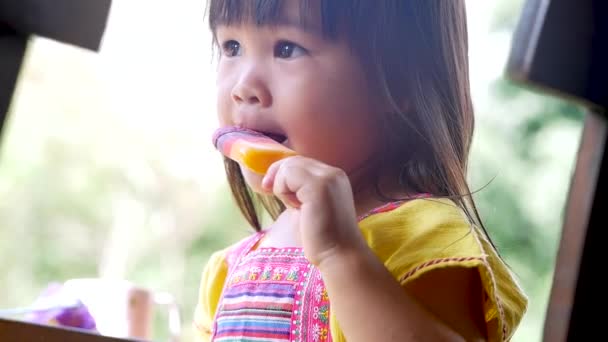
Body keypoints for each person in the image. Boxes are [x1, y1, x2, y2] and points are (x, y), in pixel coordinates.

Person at [194, 1, 528, 341]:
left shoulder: (426, 238)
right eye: (231, 47)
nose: (244, 87)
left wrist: (339, 255)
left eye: (287, 49)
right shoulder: (229, 269)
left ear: (400, 83)